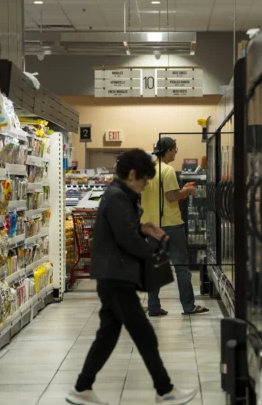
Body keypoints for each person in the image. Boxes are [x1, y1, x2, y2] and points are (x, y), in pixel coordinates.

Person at [66, 149, 197, 405]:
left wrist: (144, 227)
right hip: (115, 277)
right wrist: (152, 252)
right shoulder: (116, 197)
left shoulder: (120, 195)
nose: (144, 186)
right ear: (133, 174)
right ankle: (165, 390)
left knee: (108, 335)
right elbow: (125, 238)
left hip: (113, 276)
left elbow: (125, 228)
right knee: (144, 334)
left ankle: (81, 388)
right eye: (144, 181)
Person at [141, 137, 209, 316]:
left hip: (151, 225)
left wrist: (181, 190)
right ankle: (188, 306)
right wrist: (187, 191)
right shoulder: (168, 170)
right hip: (170, 224)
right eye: (175, 150)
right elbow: (171, 196)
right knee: (181, 266)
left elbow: (159, 195)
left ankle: (154, 307)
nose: (176, 153)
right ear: (169, 150)